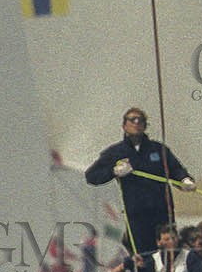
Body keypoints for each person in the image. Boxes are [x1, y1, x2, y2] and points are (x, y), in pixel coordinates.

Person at [84, 107, 195, 256]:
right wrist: (113, 172)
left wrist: (184, 180)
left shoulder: (158, 149)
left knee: (169, 252)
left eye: (140, 120)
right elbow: (92, 176)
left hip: (162, 211)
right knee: (144, 255)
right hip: (137, 214)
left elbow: (175, 169)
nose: (137, 123)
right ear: (124, 125)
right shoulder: (115, 152)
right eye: (132, 120)